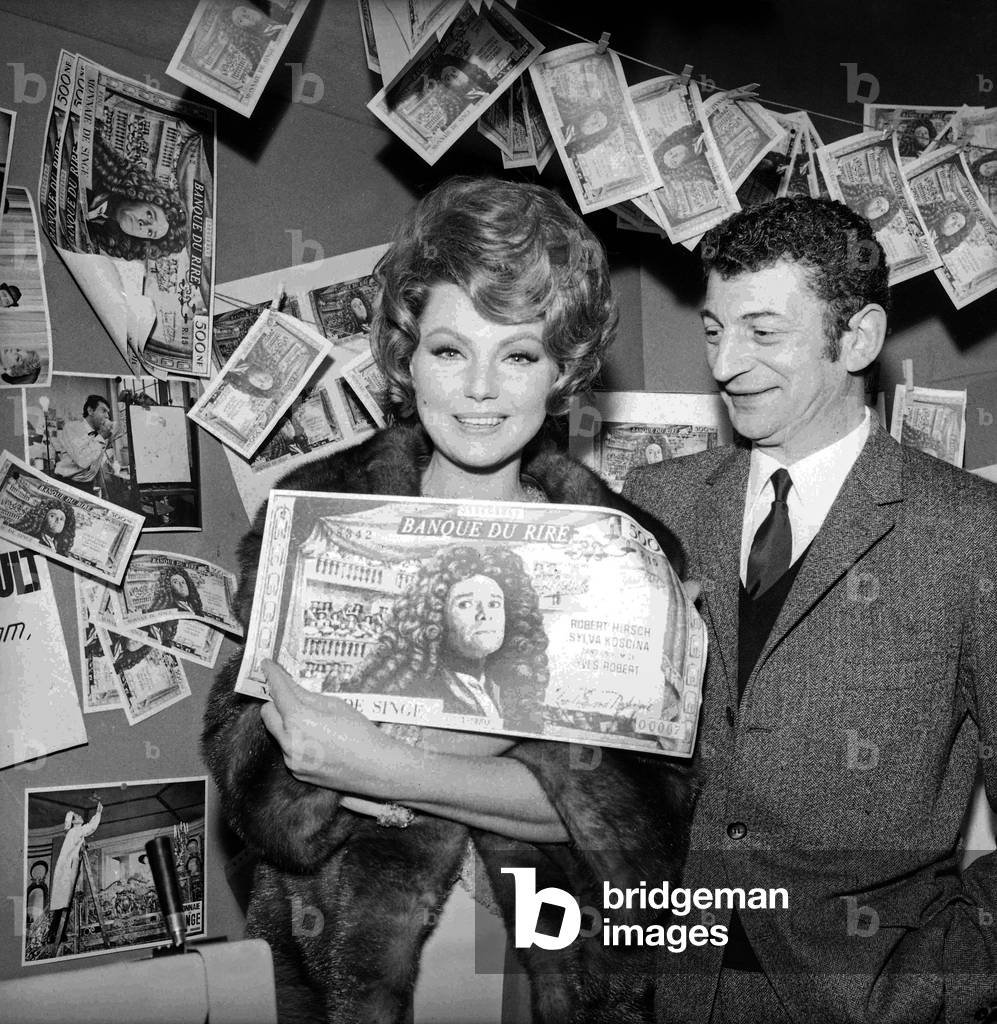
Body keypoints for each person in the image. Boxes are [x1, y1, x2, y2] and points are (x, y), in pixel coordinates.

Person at [203, 176, 695, 1024]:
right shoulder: (318, 516)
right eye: (448, 350)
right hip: (347, 973)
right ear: (406, 354)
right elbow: (262, 798)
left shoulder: (624, 551)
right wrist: (519, 763)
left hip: (560, 971)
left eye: (518, 355)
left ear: (563, 369)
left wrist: (379, 765)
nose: (479, 389)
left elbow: (645, 829)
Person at [623, 195, 997, 1024]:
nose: (726, 364)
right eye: (714, 331)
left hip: (864, 995)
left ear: (856, 338)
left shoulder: (972, 533)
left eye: (762, 332)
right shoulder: (654, 503)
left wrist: (948, 979)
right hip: (666, 986)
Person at [352, 545, 548, 731]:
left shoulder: (503, 689)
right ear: (437, 619)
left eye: (494, 604)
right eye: (466, 604)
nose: (484, 615)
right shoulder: (419, 692)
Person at [86, 137, 187, 261]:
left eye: (150, 232)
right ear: (143, 196)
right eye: (149, 215)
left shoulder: (101, 232)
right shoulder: (97, 172)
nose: (142, 225)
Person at [47, 802, 102, 949]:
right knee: (65, 903)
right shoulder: (76, 831)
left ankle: (56, 933)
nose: (80, 816)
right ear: (74, 822)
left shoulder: (73, 833)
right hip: (67, 869)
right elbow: (91, 827)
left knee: (64, 903)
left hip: (67, 869)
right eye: (77, 816)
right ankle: (55, 934)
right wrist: (98, 813)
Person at [53, 394, 125, 497]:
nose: (107, 416)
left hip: (86, 486)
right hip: (66, 484)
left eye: (108, 413)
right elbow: (83, 461)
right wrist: (102, 437)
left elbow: (95, 464)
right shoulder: (72, 428)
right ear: (90, 411)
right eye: (103, 411)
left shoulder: (99, 433)